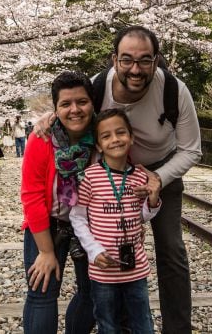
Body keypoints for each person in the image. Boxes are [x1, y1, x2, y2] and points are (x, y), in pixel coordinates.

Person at [36, 25, 202, 333]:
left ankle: (178, 328)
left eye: (144, 60)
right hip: (110, 175)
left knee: (171, 249)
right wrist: (48, 119)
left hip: (160, 171)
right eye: (127, 60)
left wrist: (158, 179)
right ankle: (123, 325)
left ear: (156, 60)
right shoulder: (99, 87)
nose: (135, 69)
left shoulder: (174, 91)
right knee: (112, 245)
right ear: (115, 60)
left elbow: (192, 150)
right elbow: (75, 110)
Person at [70, 109, 161, 334]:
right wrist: (93, 250)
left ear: (131, 137)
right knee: (107, 324)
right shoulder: (90, 177)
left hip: (136, 268)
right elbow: (78, 217)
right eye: (106, 136)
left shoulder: (140, 177)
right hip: (103, 269)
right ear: (99, 145)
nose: (115, 139)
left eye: (121, 133)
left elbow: (142, 216)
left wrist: (153, 199)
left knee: (143, 323)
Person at [21, 71, 96, 334]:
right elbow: (31, 195)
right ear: (55, 109)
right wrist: (45, 252)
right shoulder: (42, 138)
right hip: (47, 223)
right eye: (65, 104)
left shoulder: (105, 136)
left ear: (93, 103)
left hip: (91, 225)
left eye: (82, 102)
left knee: (92, 294)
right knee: (42, 290)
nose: (74, 110)